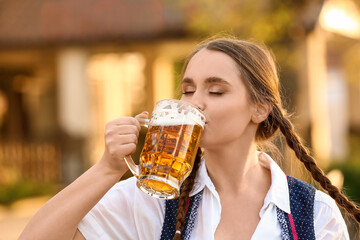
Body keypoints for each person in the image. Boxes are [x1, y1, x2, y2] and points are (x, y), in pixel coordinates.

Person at [19, 37, 360, 240]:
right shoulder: (154, 198)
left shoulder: (314, 214)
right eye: (187, 89)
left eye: (215, 90)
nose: (194, 102)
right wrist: (107, 169)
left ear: (259, 108)